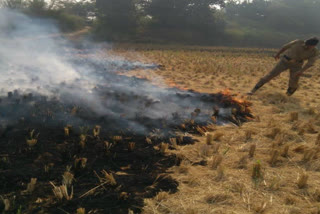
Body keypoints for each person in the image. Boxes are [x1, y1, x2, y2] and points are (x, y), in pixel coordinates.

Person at [248, 37, 319, 96]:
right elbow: (285, 47)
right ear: (306, 43)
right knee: (271, 75)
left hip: (297, 65)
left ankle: (287, 96)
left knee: (294, 81)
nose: (309, 47)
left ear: (314, 46)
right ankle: (253, 90)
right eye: (308, 45)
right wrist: (278, 54)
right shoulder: (298, 42)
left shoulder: (315, 52)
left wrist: (301, 71)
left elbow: (310, 63)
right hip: (284, 61)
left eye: (311, 46)